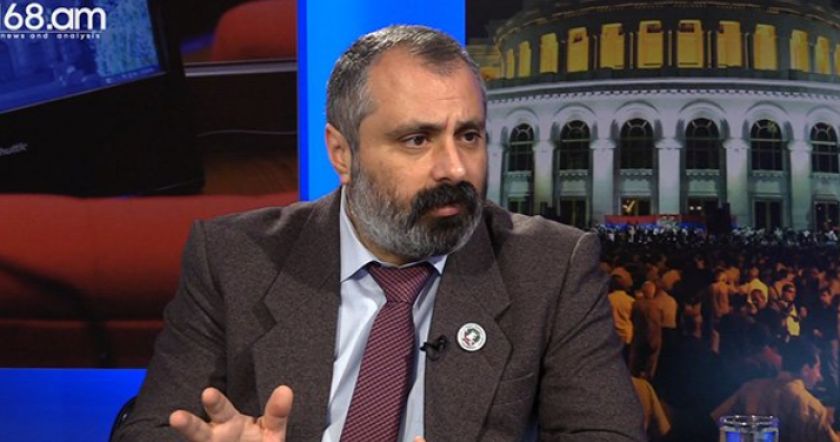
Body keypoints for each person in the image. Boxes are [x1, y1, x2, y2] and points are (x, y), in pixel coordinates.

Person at [113, 25, 644, 442]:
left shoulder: (551, 266)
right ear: (341, 153)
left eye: (469, 135)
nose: (455, 168)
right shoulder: (234, 257)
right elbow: (151, 429)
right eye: (417, 140)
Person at [711, 339, 839, 442]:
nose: (819, 376)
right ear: (805, 369)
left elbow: (716, 421)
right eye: (817, 368)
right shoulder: (813, 408)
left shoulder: (750, 388)